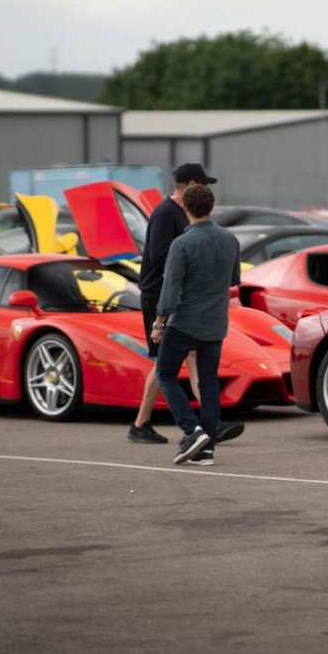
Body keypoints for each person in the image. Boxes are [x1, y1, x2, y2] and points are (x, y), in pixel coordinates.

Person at [153, 184, 244, 466]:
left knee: (165, 374)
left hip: (185, 321)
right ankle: (206, 451)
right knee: (208, 383)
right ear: (212, 206)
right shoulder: (230, 240)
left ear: (185, 208)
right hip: (216, 322)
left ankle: (192, 430)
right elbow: (234, 280)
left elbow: (171, 287)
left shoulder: (181, 244)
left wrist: (159, 321)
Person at [126, 163, 214, 444]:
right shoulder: (165, 214)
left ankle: (142, 424)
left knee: (178, 358)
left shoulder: (182, 213)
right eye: (204, 185)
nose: (208, 191)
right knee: (175, 359)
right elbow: (160, 255)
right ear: (190, 185)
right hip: (158, 295)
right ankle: (208, 422)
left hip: (176, 294)